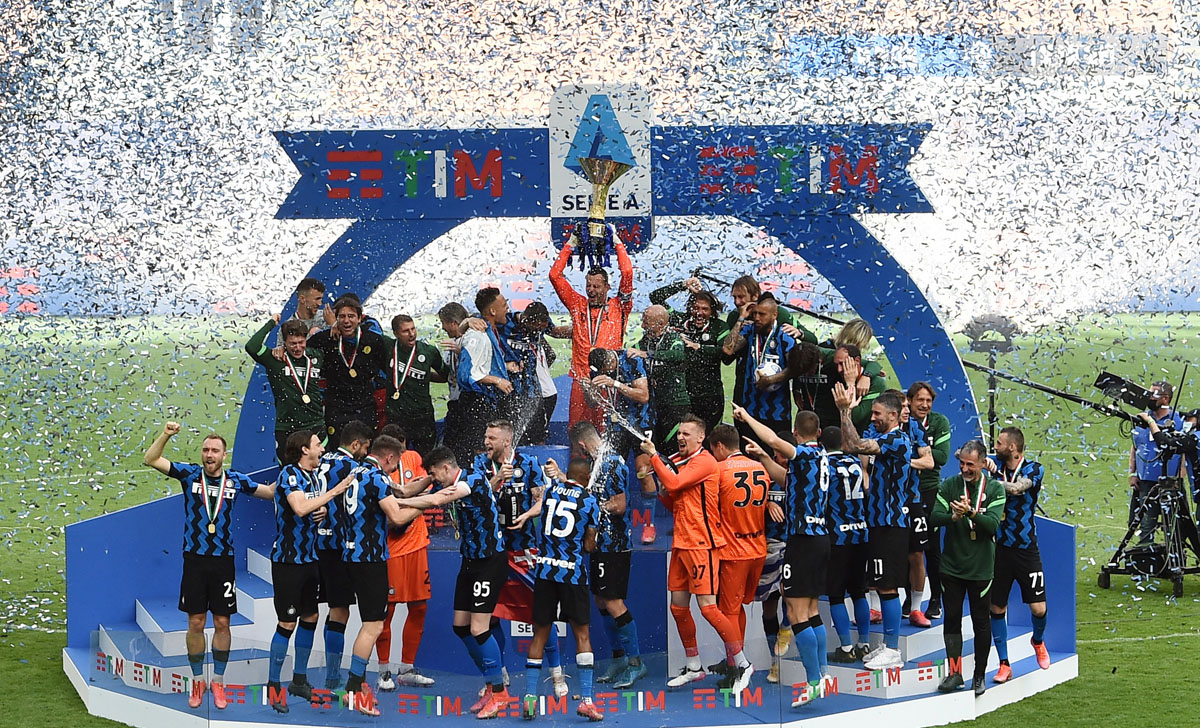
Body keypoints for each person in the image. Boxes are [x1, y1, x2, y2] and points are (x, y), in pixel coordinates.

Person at [142, 423, 273, 710]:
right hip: (195, 560)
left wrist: (293, 469)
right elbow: (151, 459)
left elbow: (271, 492)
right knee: (196, 622)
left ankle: (219, 681)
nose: (209, 454)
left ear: (224, 455)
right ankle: (198, 680)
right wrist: (166, 434)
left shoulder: (236, 481)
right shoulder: (189, 475)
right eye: (205, 450)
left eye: (214, 450)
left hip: (223, 561)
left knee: (223, 622)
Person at [395, 447, 510, 719]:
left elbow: (436, 500)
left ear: (446, 468)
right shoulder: (443, 480)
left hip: (489, 561)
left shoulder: (472, 480)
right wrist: (406, 489)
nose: (433, 478)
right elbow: (409, 490)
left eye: (435, 473)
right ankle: (491, 684)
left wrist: (398, 505)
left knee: (479, 628)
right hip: (469, 562)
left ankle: (500, 691)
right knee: (461, 627)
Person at [641, 415, 754, 693]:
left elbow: (675, 483)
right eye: (679, 433)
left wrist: (654, 458)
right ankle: (694, 666)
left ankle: (743, 663)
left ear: (701, 438)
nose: (681, 437)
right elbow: (673, 499)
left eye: (687, 434)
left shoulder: (704, 461)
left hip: (702, 545)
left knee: (708, 608)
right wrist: (658, 485)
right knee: (678, 608)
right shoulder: (680, 462)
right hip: (682, 544)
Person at [735, 406, 831, 707]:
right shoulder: (821, 455)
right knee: (812, 611)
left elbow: (775, 441)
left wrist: (747, 418)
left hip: (802, 541)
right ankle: (823, 673)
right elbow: (788, 479)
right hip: (820, 539)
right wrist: (764, 458)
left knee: (796, 611)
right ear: (818, 432)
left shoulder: (803, 453)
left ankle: (813, 682)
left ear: (796, 431)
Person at [472, 420, 566, 699]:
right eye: (486, 436)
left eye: (492, 437)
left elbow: (542, 500)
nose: (486, 442)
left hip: (524, 550)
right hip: (493, 553)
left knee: (541, 613)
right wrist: (498, 479)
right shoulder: (480, 464)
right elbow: (477, 497)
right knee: (489, 616)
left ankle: (557, 672)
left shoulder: (529, 463)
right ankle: (499, 675)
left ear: (507, 441)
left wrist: (526, 515)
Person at [266, 430, 352, 713]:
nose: (322, 449)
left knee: (311, 616)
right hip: (288, 561)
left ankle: (299, 680)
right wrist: (334, 492)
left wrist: (324, 510)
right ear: (304, 449)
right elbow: (300, 507)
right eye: (317, 445)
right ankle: (273, 686)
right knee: (287, 623)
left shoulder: (313, 477)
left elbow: (313, 507)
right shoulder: (290, 474)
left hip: (310, 558)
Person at [336, 435, 420, 716]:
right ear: (390, 458)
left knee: (368, 624)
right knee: (373, 626)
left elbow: (400, 492)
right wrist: (423, 506)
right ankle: (353, 689)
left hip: (350, 556)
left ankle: (357, 685)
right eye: (395, 464)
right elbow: (397, 518)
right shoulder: (377, 477)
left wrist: (427, 488)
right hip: (370, 559)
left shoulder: (356, 471)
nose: (395, 469)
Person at [832, 383, 912, 670]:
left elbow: (856, 446)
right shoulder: (884, 437)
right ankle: (888, 645)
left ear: (893, 415)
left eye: (877, 413)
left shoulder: (898, 440)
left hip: (891, 523)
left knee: (888, 587)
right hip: (878, 522)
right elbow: (848, 446)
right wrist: (845, 415)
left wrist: (845, 411)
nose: (873, 417)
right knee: (880, 585)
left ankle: (893, 650)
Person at [522, 457, 605, 721]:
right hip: (572, 574)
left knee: (539, 635)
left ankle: (529, 698)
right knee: (582, 635)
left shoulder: (549, 493)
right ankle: (587, 701)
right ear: (587, 477)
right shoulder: (589, 501)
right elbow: (589, 546)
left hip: (545, 572)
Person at [569, 422, 646, 689]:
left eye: (575, 448)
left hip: (615, 545)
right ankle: (618, 658)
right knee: (601, 601)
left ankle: (636, 663)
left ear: (581, 445)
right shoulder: (597, 462)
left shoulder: (610, 462)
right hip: (600, 545)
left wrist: (590, 506)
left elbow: (620, 505)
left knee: (613, 603)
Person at [930, 440, 1005, 697]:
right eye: (962, 463)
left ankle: (979, 675)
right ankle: (955, 673)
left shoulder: (995, 489)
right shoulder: (950, 485)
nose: (964, 468)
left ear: (983, 463)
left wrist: (971, 513)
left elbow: (992, 525)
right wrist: (953, 516)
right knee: (951, 620)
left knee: (981, 622)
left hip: (980, 569)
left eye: (970, 464)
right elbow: (934, 517)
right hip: (951, 567)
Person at [373, 424, 437, 690]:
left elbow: (426, 490)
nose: (403, 453)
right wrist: (415, 501)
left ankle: (407, 669)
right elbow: (393, 510)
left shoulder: (413, 458)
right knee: (386, 611)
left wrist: (411, 498)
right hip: (391, 549)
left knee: (419, 607)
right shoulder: (375, 471)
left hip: (417, 545)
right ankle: (384, 671)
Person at [549, 232, 634, 431]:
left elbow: (627, 273)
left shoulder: (620, 306)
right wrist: (571, 243)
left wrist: (617, 243)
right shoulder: (577, 305)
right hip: (581, 381)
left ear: (607, 287)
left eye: (597, 286)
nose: (591, 290)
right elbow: (554, 275)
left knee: (606, 431)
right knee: (578, 431)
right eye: (588, 285)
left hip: (608, 379)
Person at [707, 423, 769, 690]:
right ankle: (734, 659)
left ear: (720, 446)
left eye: (713, 450)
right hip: (758, 548)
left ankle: (736, 666)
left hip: (734, 552)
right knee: (738, 607)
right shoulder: (760, 467)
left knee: (728, 611)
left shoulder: (719, 471)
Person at [986, 426, 1051, 682]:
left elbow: (1016, 489)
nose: (996, 447)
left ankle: (1038, 641)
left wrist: (988, 481)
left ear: (1012, 447)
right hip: (1000, 549)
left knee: (1038, 608)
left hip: (1026, 549)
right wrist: (983, 463)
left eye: (999, 443)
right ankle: (1004, 663)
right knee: (996, 606)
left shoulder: (1034, 469)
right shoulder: (994, 465)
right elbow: (962, 455)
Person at [313, 419, 373, 689]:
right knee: (340, 611)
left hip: (317, 544)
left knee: (333, 609)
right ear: (356, 444)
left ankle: (330, 673)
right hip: (337, 546)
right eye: (365, 447)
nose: (366, 453)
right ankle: (333, 678)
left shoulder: (321, 460)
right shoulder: (352, 468)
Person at [586, 346, 656, 543]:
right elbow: (593, 403)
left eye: (606, 370)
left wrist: (615, 383)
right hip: (616, 424)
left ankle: (649, 524)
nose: (605, 373)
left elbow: (644, 396)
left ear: (610, 362)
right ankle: (612, 522)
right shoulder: (598, 365)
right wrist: (589, 389)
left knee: (643, 471)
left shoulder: (632, 360)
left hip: (641, 422)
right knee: (611, 469)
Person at [819, 426, 872, 665]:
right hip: (860, 533)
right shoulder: (855, 462)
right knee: (859, 592)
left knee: (836, 595)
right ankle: (864, 643)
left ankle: (846, 647)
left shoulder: (825, 465)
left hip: (837, 536)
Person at [306, 296, 389, 446]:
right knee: (338, 449)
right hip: (336, 407)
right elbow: (299, 349)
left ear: (360, 318)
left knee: (365, 448)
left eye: (351, 316)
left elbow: (387, 368)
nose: (346, 321)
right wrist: (280, 349)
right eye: (342, 316)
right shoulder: (325, 339)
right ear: (336, 318)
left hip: (364, 406)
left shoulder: (373, 340)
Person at [649, 276, 730, 431]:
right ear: (690, 307)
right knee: (684, 437)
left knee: (710, 439)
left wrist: (699, 347)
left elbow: (726, 354)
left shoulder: (719, 327)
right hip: (683, 398)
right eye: (696, 308)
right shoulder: (680, 320)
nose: (699, 313)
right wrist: (683, 285)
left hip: (710, 397)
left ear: (712, 311)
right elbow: (655, 297)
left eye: (705, 309)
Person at [723, 293, 799, 452]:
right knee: (750, 457)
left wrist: (772, 379)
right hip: (750, 412)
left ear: (774, 315)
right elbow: (728, 350)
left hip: (777, 413)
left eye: (762, 314)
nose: (757, 318)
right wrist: (741, 317)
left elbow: (796, 368)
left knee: (777, 458)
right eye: (755, 313)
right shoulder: (749, 331)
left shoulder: (785, 337)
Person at [245, 315, 325, 463]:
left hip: (315, 425)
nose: (298, 347)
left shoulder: (316, 356)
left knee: (319, 469)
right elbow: (252, 346)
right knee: (289, 470)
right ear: (284, 343)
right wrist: (271, 324)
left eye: (301, 342)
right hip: (287, 427)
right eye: (292, 343)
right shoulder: (275, 359)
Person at [908, 381, 952, 620]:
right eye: (920, 400)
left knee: (932, 548)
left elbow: (942, 457)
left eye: (928, 401)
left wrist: (909, 453)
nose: (924, 405)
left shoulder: (939, 422)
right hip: (905, 491)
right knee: (908, 548)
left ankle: (936, 598)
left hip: (929, 491)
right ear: (910, 401)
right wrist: (922, 456)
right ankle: (910, 597)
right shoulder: (903, 420)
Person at [458, 288, 518, 458]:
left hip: (489, 401)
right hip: (477, 403)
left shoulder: (490, 329)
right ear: (492, 311)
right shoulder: (477, 335)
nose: (508, 308)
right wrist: (497, 380)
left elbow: (482, 363)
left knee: (492, 449)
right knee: (482, 450)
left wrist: (504, 367)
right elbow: (466, 375)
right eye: (504, 305)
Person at [752, 431, 792, 684]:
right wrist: (766, 503)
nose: (783, 458)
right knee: (768, 606)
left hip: (793, 544)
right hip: (767, 545)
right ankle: (774, 660)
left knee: (790, 592)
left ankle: (786, 630)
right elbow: (748, 502)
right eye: (779, 453)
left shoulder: (801, 473)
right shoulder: (763, 475)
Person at [896, 391, 935, 627]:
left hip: (912, 499)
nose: (907, 410)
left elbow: (928, 462)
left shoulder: (915, 428)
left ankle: (916, 608)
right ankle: (877, 607)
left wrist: (903, 462)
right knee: (882, 553)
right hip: (885, 503)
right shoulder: (875, 428)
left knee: (917, 554)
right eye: (902, 406)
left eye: (906, 406)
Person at [383, 314, 448, 457]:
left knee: (426, 459)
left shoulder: (429, 351)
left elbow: (445, 376)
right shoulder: (387, 346)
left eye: (413, 329)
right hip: (396, 416)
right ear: (395, 333)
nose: (412, 334)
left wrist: (424, 376)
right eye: (406, 331)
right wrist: (335, 325)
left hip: (422, 417)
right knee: (396, 458)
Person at [632, 304, 691, 457]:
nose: (642, 326)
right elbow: (632, 350)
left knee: (673, 450)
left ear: (660, 324)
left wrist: (648, 354)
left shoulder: (673, 338)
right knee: (657, 449)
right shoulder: (647, 340)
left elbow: (678, 355)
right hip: (655, 405)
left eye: (646, 322)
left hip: (675, 405)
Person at [1130, 381, 1185, 546]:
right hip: (1145, 483)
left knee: (1173, 526)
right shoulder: (1142, 418)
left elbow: (1183, 453)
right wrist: (1132, 473)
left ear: (1166, 399)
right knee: (1146, 524)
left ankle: (1174, 557)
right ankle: (1145, 557)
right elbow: (1135, 446)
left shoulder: (1178, 421)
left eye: (1153, 394)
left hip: (1170, 483)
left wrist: (1179, 478)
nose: (1149, 398)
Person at [500, 302, 563, 445]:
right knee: (511, 436)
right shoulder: (505, 323)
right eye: (535, 328)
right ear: (525, 320)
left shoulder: (541, 325)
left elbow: (555, 333)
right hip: (509, 391)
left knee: (538, 436)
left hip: (533, 392)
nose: (537, 332)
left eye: (541, 329)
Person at [437, 302, 471, 466]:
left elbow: (480, 367)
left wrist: (461, 352)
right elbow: (447, 375)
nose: (443, 328)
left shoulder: (472, 339)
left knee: (468, 447)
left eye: (443, 323)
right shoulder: (450, 344)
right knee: (451, 447)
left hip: (470, 402)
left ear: (453, 323)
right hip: (455, 403)